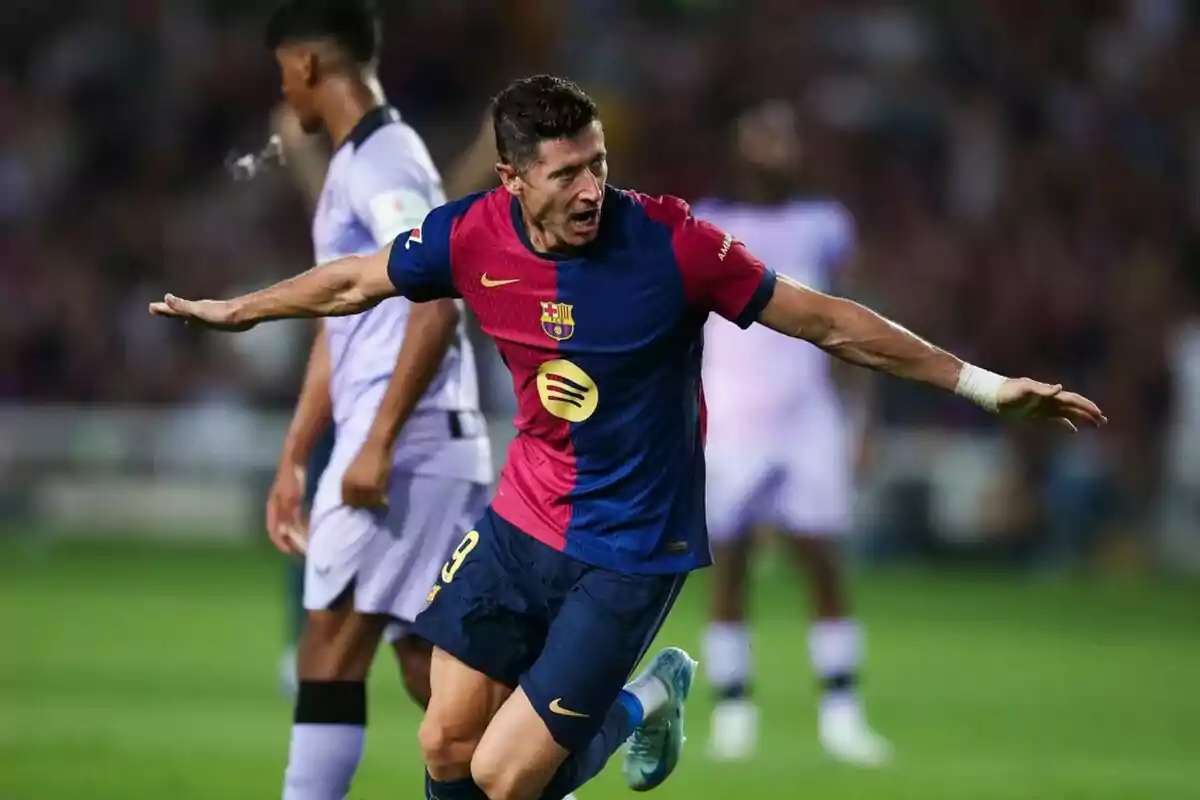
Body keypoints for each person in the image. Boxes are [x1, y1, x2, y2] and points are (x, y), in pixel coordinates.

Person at [149, 74, 1106, 800]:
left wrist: (983, 387)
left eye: (598, 162)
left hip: (629, 549)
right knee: (443, 746)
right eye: (566, 172)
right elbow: (355, 280)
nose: (590, 187)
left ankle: (649, 697)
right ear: (515, 178)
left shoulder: (674, 244)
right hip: (520, 522)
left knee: (504, 780)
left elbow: (821, 319)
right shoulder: (471, 236)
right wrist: (243, 310)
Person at [259, 2, 494, 797]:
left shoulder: (385, 162)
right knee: (433, 673)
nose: (283, 92)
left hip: (410, 449)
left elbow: (436, 299)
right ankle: (620, 711)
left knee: (327, 647)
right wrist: (296, 454)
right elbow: (342, 322)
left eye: (282, 72)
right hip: (418, 445)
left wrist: (378, 442)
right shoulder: (363, 163)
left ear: (308, 66)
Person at [693, 100, 890, 765]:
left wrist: (863, 417)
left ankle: (841, 712)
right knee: (729, 565)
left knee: (824, 561)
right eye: (764, 137)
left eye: (785, 137)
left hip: (808, 418)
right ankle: (733, 711)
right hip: (732, 416)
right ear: (739, 150)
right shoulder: (708, 223)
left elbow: (856, 323)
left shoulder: (825, 223)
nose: (777, 149)